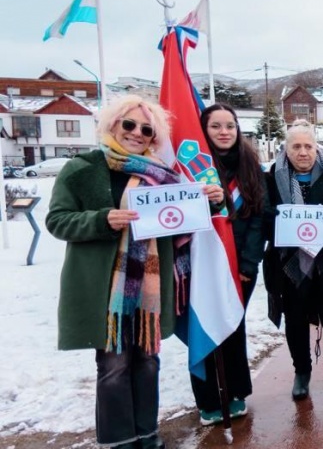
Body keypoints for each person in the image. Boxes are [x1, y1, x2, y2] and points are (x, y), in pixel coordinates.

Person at [46, 95, 225, 449]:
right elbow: (57, 220)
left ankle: (147, 433)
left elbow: (179, 221)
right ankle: (119, 441)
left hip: (150, 289)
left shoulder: (164, 177)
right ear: (112, 125)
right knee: (113, 366)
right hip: (105, 289)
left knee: (148, 361)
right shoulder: (82, 169)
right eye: (129, 124)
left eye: (147, 129)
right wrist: (102, 220)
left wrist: (209, 200)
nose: (136, 133)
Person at [263, 120, 323, 401]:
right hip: (289, 264)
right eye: (296, 147)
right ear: (286, 149)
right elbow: (262, 216)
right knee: (295, 320)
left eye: (308, 146)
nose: (303, 152)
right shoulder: (272, 178)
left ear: (317, 148)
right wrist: (274, 220)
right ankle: (301, 372)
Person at [190, 104, 267, 425]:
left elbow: (260, 217)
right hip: (204, 264)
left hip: (241, 266)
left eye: (230, 126)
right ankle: (208, 398)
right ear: (203, 130)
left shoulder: (251, 168)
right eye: (216, 126)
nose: (224, 132)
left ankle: (236, 392)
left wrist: (248, 264)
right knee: (205, 326)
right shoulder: (192, 169)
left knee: (234, 326)